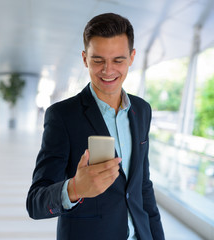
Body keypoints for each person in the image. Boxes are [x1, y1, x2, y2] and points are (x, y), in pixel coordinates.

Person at [26, 13, 165, 240]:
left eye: (118, 60)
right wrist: (74, 188)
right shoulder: (62, 116)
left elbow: (142, 186)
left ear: (132, 57)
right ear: (84, 59)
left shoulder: (142, 110)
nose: (108, 70)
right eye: (98, 60)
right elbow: (35, 203)